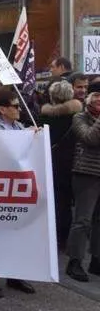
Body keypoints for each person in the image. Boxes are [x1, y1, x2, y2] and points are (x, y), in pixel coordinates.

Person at [0, 88, 37, 297]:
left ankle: (14, 275)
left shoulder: (19, 126)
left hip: (18, 189)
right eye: (15, 106)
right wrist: (26, 138)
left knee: (17, 232)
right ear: (3, 109)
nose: (19, 109)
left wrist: (33, 137)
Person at [40, 81, 82, 249]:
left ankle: (56, 235)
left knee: (57, 200)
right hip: (74, 161)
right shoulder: (77, 115)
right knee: (74, 202)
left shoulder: (45, 116)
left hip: (51, 161)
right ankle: (69, 237)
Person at [65, 89, 100, 282]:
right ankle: (74, 261)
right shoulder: (79, 118)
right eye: (96, 98)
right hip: (86, 174)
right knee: (82, 220)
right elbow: (90, 138)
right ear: (88, 101)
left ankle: (96, 259)